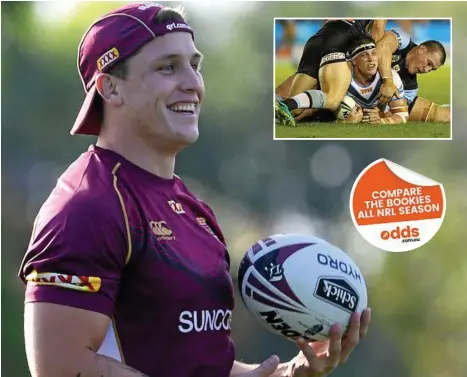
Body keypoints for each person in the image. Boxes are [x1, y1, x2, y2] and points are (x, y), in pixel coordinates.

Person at [19, 3, 371, 377]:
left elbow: (193, 363)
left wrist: (285, 374)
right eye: (167, 67)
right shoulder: (88, 205)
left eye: (195, 65)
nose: (193, 83)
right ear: (110, 87)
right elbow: (61, 366)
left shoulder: (192, 210)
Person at [275, 19, 386, 127]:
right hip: (338, 41)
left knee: (296, 109)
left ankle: (273, 109)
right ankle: (284, 105)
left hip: (315, 41)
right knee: (333, 100)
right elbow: (377, 28)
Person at [375, 28, 450, 122]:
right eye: (429, 63)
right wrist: (388, 81)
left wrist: (380, 112)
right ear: (422, 49)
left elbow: (396, 112)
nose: (426, 70)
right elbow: (382, 46)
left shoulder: (411, 88)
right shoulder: (403, 40)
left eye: (431, 69)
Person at [340, 36, 409, 125]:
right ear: (354, 61)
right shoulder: (342, 78)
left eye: (374, 53)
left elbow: (403, 115)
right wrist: (346, 121)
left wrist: (381, 121)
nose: (371, 59)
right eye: (364, 55)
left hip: (383, 113)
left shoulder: (391, 79)